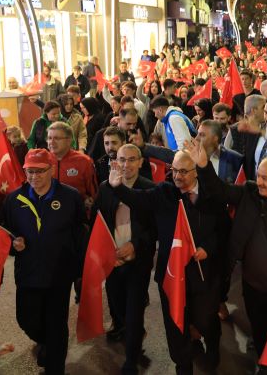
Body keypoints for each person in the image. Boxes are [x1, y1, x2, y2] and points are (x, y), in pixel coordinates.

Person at [185, 139, 267, 371]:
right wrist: (204, 165)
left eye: (265, 178)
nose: (259, 181)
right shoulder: (248, 193)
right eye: (259, 175)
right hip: (253, 284)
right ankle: (266, 362)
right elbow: (219, 191)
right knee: (260, 327)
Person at [108, 148, 230, 374]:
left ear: (196, 172)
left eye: (184, 171)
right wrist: (118, 187)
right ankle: (182, 364)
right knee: (175, 325)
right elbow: (139, 199)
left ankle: (211, 346)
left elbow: (223, 231)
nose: (177, 176)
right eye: (174, 170)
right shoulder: (164, 192)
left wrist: (207, 248)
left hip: (203, 274)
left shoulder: (211, 196)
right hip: (171, 275)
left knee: (205, 320)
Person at [2, 148, 88, 375]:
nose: (34, 177)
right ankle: (46, 341)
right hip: (28, 272)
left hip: (59, 273)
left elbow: (80, 232)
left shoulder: (70, 197)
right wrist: (13, 244)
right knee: (26, 320)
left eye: (40, 171)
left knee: (57, 324)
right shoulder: (14, 200)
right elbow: (6, 235)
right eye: (30, 171)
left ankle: (55, 366)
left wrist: (79, 269)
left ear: (52, 170)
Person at [92, 144, 156, 374]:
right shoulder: (105, 188)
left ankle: (131, 359)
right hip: (113, 261)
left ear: (140, 162)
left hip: (138, 262)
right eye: (121, 160)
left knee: (134, 310)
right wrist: (106, 252)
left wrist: (135, 245)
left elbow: (155, 229)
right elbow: (97, 222)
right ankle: (133, 333)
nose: (126, 165)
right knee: (118, 308)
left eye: (131, 160)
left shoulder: (150, 189)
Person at [46, 122, 98, 207]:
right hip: (48, 213)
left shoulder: (84, 161)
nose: (51, 142)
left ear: (69, 140)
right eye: (49, 138)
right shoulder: (42, 160)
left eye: (57, 138)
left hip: (76, 213)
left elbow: (93, 194)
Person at [197, 119, 243, 183]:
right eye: (198, 134)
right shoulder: (192, 158)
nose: (197, 138)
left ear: (214, 138)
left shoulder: (235, 158)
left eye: (202, 135)